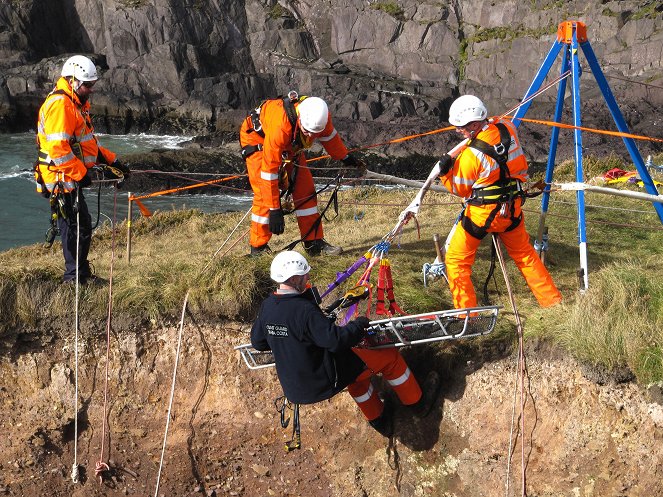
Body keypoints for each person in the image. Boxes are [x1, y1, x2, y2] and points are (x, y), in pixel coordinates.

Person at [251, 251, 440, 437]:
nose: (308, 277)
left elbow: (258, 342)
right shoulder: (304, 310)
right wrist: (359, 324)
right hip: (322, 380)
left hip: (296, 387)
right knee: (390, 358)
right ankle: (418, 404)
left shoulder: (268, 306)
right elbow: (336, 340)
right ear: (293, 279)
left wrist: (288, 339)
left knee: (356, 375)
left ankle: (379, 420)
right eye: (304, 275)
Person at [421, 94, 562, 309]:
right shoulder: (507, 128)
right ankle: (552, 302)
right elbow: (496, 123)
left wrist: (445, 171)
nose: (458, 131)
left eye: (462, 127)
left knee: (457, 261)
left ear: (475, 124)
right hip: (512, 209)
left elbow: (459, 189)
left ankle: (466, 313)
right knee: (525, 255)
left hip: (483, 215)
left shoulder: (472, 155)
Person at [35, 55, 130, 284]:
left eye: (92, 85)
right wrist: (81, 174)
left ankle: (80, 273)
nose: (91, 90)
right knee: (74, 227)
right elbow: (59, 149)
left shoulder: (75, 105)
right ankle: (74, 278)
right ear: (73, 81)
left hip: (68, 174)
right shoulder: (61, 105)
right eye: (87, 85)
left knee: (81, 225)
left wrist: (113, 162)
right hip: (61, 177)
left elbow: (88, 144)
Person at [239, 93, 365, 257]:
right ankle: (259, 248)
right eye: (308, 132)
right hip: (258, 140)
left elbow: (330, 137)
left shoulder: (321, 117)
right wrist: (274, 209)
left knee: (305, 191)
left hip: (291, 143)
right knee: (264, 196)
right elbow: (269, 173)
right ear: (300, 120)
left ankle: (313, 243)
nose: (311, 137)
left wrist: (344, 156)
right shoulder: (281, 127)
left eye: (314, 134)